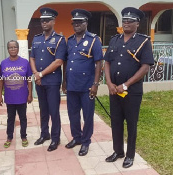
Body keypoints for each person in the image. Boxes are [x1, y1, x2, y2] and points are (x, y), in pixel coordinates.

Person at [104, 7, 154, 168]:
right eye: (124, 20)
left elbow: (145, 68)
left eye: (130, 21)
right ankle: (118, 151)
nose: (126, 23)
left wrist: (126, 84)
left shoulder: (144, 42)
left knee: (131, 123)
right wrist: (110, 83)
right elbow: (108, 62)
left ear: (137, 23)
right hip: (114, 91)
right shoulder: (115, 40)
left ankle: (130, 155)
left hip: (132, 92)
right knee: (116, 122)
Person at [62, 9, 103, 156]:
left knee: (87, 115)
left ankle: (86, 142)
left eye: (80, 22)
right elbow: (66, 62)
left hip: (87, 86)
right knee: (72, 114)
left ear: (86, 23)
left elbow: (99, 63)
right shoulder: (70, 40)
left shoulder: (94, 40)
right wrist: (64, 81)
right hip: (72, 84)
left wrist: (95, 84)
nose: (77, 25)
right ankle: (77, 138)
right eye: (74, 23)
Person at [30, 7, 67, 152]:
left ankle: (55, 138)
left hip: (52, 81)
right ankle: (44, 134)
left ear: (53, 21)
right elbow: (32, 57)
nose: (44, 23)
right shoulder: (36, 38)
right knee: (43, 110)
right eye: (42, 20)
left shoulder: (59, 40)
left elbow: (58, 61)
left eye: (47, 20)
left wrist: (41, 74)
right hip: (39, 81)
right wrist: (35, 73)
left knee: (53, 110)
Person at [0, 40, 33, 148]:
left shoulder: (25, 62)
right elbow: (1, 80)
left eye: (15, 47)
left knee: (23, 118)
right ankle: (9, 137)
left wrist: (30, 94)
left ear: (18, 49)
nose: (13, 49)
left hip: (22, 96)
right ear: (8, 49)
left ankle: (23, 136)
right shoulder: (3, 63)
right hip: (10, 97)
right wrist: (0, 95)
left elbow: (29, 79)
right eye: (10, 47)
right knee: (10, 118)